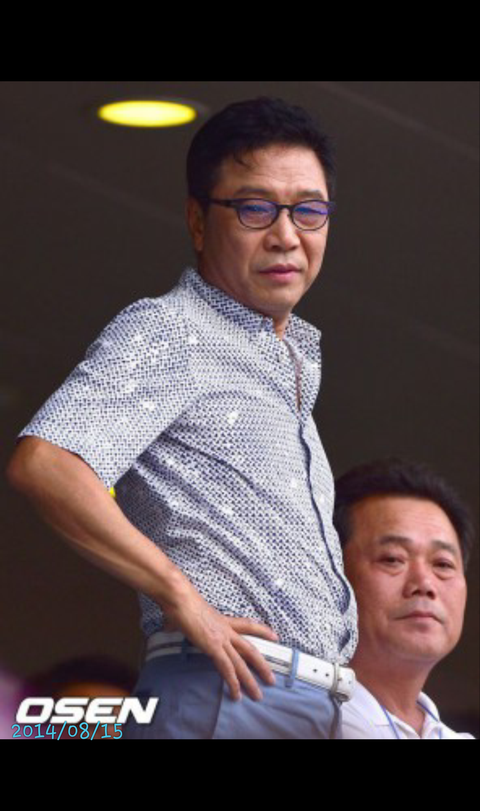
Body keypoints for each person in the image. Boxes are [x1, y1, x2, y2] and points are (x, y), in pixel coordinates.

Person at [7, 97, 357, 739]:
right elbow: (46, 462)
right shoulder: (174, 329)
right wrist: (181, 596)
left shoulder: (288, 356)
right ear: (198, 221)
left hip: (299, 703)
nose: (287, 235)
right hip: (231, 689)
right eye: (255, 208)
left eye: (308, 210)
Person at [333, 457, 475, 739]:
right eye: (392, 559)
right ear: (334, 573)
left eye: (443, 564)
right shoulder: (287, 721)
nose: (424, 584)